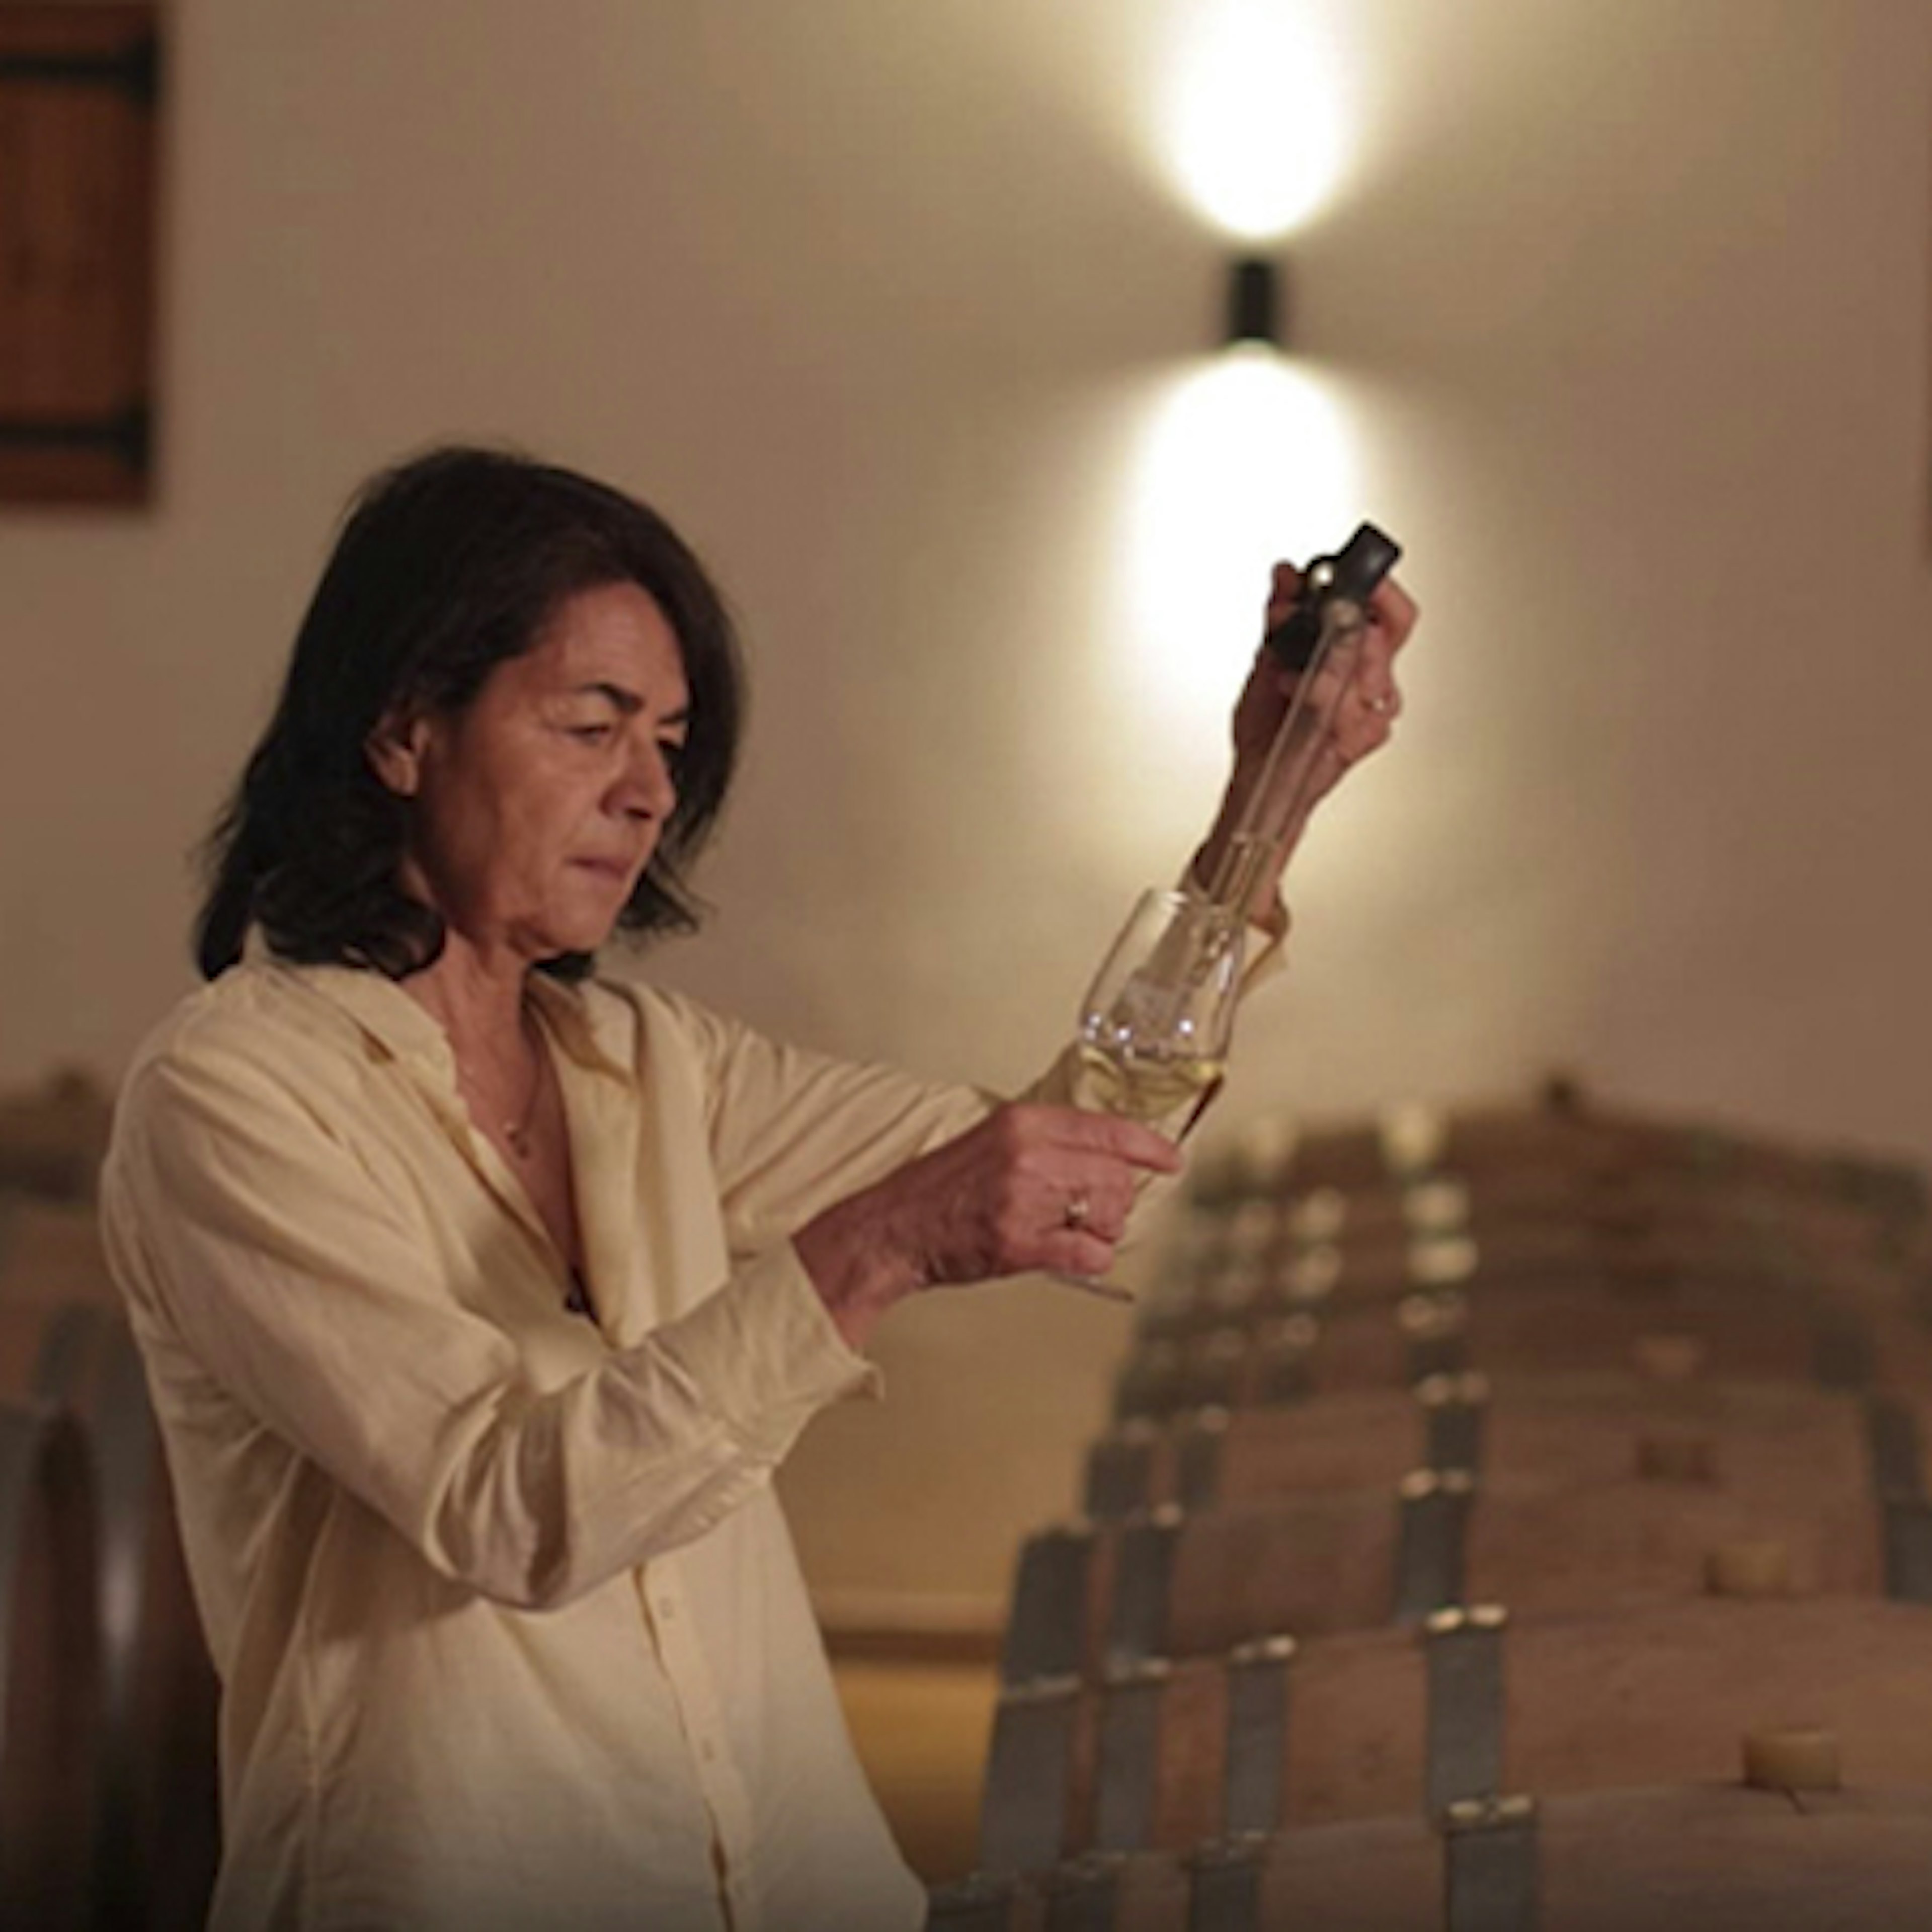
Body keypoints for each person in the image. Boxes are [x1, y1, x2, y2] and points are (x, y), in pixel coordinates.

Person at [100, 445, 1415, 1931]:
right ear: (404, 729)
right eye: (591, 726)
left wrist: (1268, 801)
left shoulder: (647, 1061)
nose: (649, 791)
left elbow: (1079, 1168)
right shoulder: (232, 1097)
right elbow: (503, 1508)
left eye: (669, 741)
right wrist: (874, 1251)